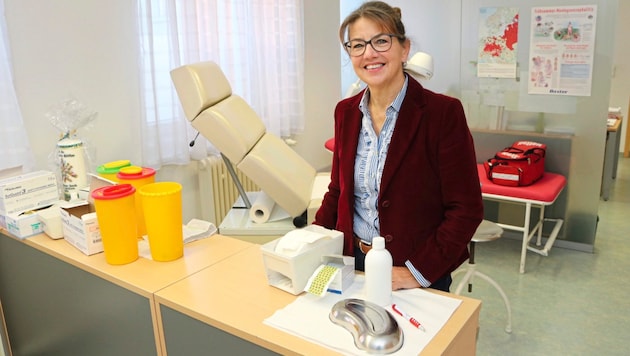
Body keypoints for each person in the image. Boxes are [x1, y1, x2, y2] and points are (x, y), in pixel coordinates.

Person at [313, 1, 483, 293]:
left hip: (414, 268)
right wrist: (312, 241)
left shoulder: (442, 113)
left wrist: (416, 273)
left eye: (381, 41)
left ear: (404, 49)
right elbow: (338, 191)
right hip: (352, 261)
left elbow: (465, 208)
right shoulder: (345, 112)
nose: (369, 53)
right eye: (357, 45)